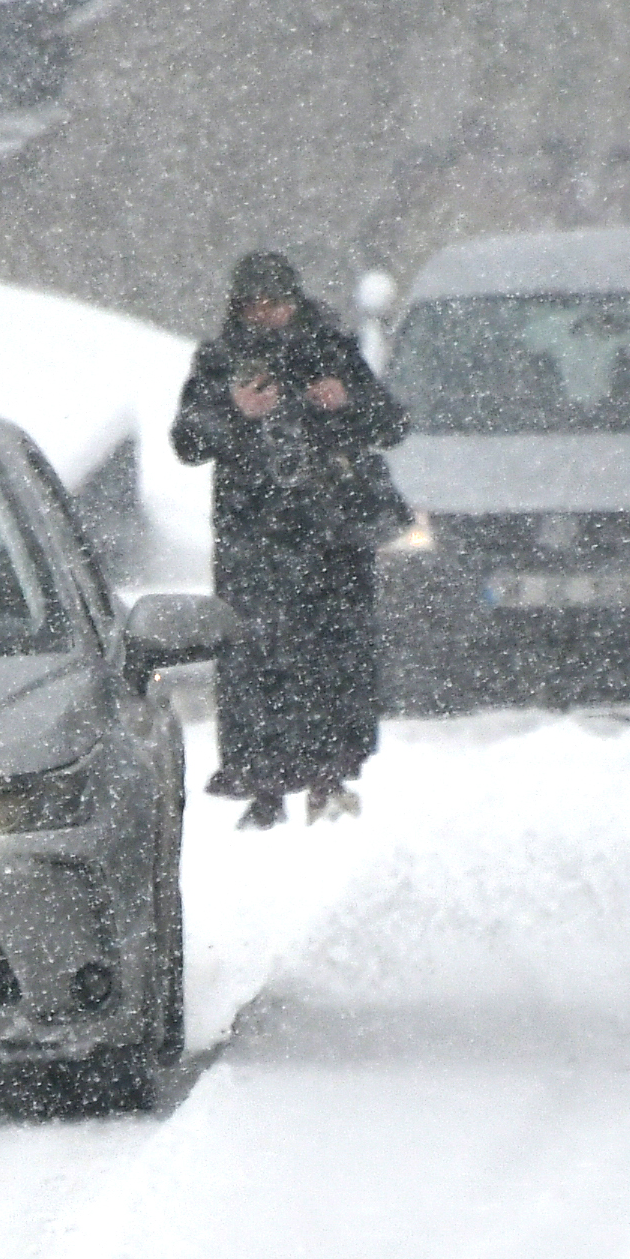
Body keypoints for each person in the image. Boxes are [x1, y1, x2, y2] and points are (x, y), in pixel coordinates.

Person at [168, 250, 410, 827]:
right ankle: (264, 786)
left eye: (274, 302)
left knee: (332, 661)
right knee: (256, 661)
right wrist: (234, 409)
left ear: (293, 301)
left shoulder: (331, 349)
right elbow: (187, 441)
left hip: (332, 539)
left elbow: (391, 423)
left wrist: (345, 400)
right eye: (253, 304)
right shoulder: (220, 361)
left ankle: (329, 778)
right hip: (254, 542)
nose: (264, 314)